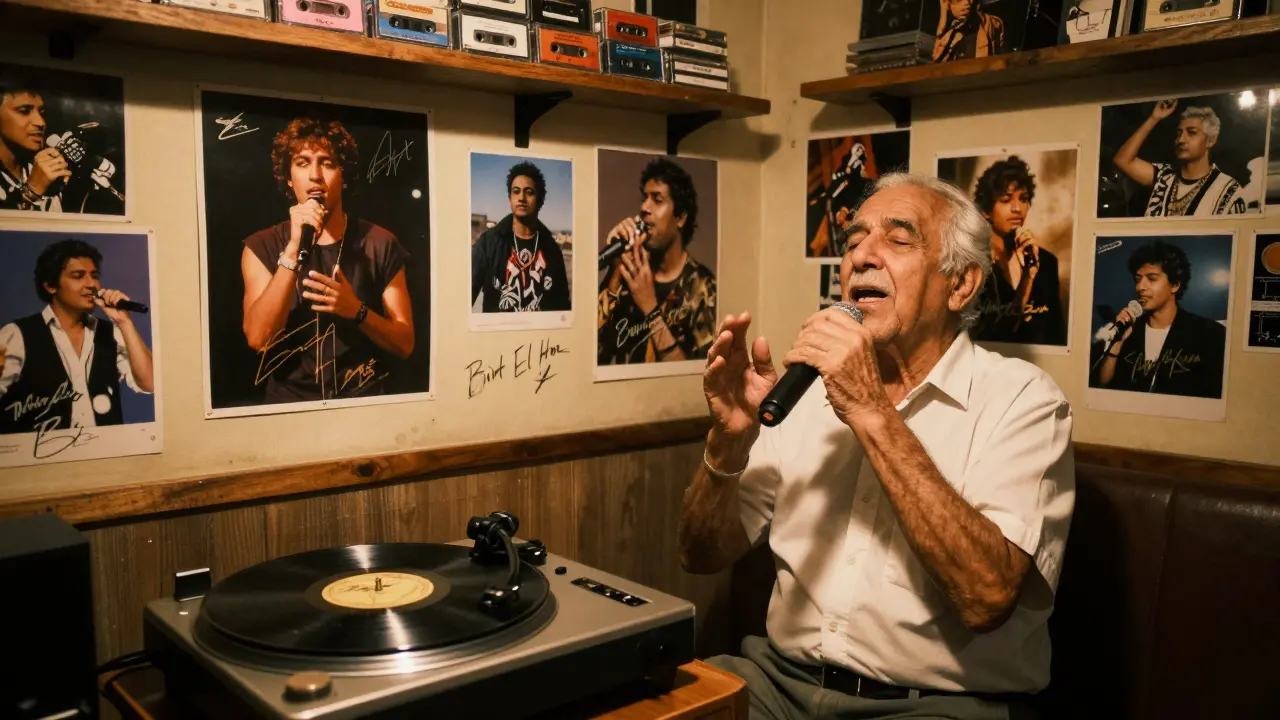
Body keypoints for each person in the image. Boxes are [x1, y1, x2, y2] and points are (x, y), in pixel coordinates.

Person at [680, 173, 1075, 720]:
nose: (861, 256)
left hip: (936, 706)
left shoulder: (1023, 401)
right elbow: (700, 555)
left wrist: (870, 409)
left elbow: (987, 596)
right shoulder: (804, 392)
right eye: (854, 241)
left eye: (898, 237)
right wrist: (728, 445)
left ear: (960, 284)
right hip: (776, 681)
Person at [240, 117, 415, 404]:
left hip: (363, 405)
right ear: (288, 176)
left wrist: (356, 310)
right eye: (302, 162)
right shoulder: (261, 246)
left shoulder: (380, 243)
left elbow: (405, 343)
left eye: (328, 163)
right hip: (290, 408)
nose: (316, 175)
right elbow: (258, 338)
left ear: (343, 176)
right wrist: (294, 248)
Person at [0, 239, 153, 434]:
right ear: (50, 286)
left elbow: (149, 384)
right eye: (78, 276)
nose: (92, 284)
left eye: (94, 276)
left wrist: (124, 322)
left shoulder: (111, 332)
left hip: (107, 457)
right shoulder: (16, 335)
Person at [598, 158, 717, 365]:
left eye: (657, 200)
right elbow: (590, 343)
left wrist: (651, 309)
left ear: (680, 217)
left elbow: (699, 377)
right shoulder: (630, 269)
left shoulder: (703, 286)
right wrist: (616, 268)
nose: (644, 207)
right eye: (645, 198)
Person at [1090, 240, 1225, 399]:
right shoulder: (1130, 330)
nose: (1141, 287)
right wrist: (1116, 346)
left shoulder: (1209, 333)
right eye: (1138, 279)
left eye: (1152, 278)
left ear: (1174, 285)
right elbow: (1103, 387)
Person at [969, 156, 1067, 345]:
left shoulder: (1045, 262)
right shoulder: (973, 264)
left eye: (1023, 199)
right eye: (1006, 200)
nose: (1017, 208)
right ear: (986, 211)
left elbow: (1056, 333)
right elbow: (990, 333)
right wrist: (1027, 279)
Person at [0, 70, 123, 214]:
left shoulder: (49, 170)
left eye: (41, 112)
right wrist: (32, 192)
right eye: (24, 111)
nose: (40, 122)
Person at [1112, 99, 1246, 217]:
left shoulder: (1228, 190)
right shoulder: (1165, 177)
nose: (1181, 139)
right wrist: (1154, 117)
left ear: (1210, 140)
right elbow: (1122, 160)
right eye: (1179, 133)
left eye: (1192, 132)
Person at [471, 161, 571, 313]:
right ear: (510, 198)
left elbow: (562, 307)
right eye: (516, 191)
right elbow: (465, 298)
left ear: (540, 200)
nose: (521, 198)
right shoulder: (488, 243)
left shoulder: (552, 250)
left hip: (539, 336)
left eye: (529, 192)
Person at [933, 0, 1005, 62]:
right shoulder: (953, 32)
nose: (967, 3)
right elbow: (936, 56)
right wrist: (943, 13)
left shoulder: (990, 23)